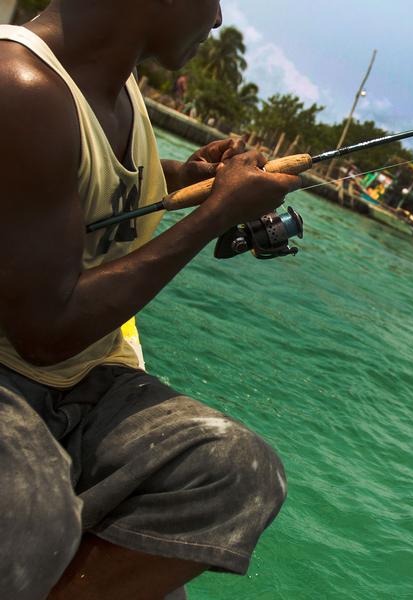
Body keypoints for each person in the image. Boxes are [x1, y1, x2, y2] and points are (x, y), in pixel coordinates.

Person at [0, 2, 302, 598]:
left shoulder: (119, 90)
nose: (216, 19)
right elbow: (43, 332)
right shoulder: (21, 89)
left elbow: (75, 177)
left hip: (87, 377)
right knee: (37, 520)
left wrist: (184, 174)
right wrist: (216, 217)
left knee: (242, 473)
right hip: (14, 372)